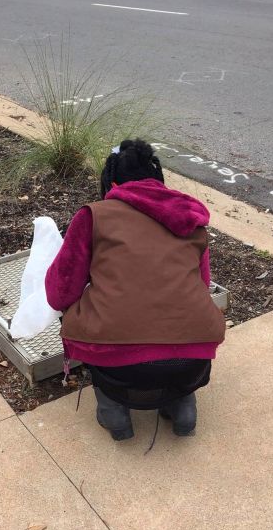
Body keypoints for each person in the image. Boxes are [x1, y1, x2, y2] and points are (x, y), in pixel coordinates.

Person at [45, 139, 226, 441]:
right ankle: (182, 405)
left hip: (118, 364)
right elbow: (202, 285)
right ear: (157, 180)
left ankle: (113, 410)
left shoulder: (93, 215)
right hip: (193, 359)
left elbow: (59, 293)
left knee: (75, 310)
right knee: (178, 325)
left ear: (113, 183)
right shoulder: (190, 218)